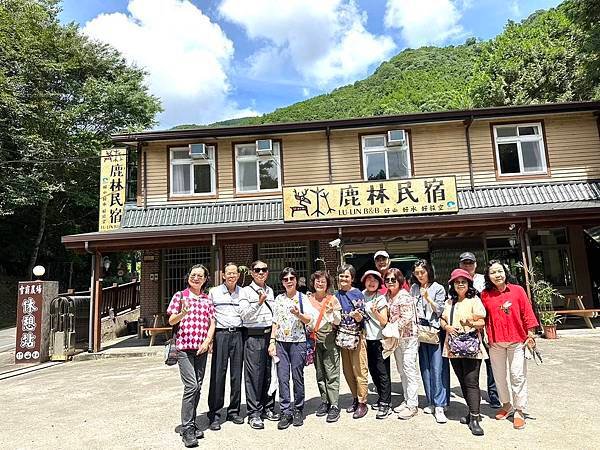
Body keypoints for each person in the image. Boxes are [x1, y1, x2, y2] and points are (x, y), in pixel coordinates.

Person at [481, 260, 539, 430]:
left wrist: (530, 334)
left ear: (505, 272)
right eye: (493, 272)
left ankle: (519, 409)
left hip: (516, 340)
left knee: (517, 375)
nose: (497, 275)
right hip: (495, 342)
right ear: (488, 276)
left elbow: (527, 312)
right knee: (498, 376)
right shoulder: (485, 294)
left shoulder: (518, 290)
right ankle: (506, 404)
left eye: (500, 271)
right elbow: (481, 316)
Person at [167, 264, 215, 448]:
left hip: (201, 349)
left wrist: (207, 341)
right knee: (191, 386)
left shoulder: (206, 299)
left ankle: (192, 423)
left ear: (205, 280)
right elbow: (171, 320)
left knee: (198, 387)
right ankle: (187, 428)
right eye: (193, 275)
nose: (196, 278)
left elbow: (212, 322)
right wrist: (183, 313)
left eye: (200, 276)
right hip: (184, 348)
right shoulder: (180, 296)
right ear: (188, 277)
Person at [440, 269, 487, 436]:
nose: (460, 284)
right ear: (452, 284)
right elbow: (442, 319)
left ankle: (475, 417)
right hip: (453, 347)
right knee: (462, 380)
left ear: (469, 284)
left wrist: (470, 322)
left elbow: (482, 321)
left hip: (471, 345)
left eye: (464, 281)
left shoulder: (474, 300)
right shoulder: (449, 302)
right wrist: (447, 327)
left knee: (471, 381)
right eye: (457, 281)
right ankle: (470, 411)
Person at [268, 268, 314, 430]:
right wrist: (272, 341)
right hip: (281, 342)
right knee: (282, 378)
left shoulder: (303, 298)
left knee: (297, 377)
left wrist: (298, 314)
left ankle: (298, 409)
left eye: (291, 278)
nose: (289, 281)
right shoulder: (278, 299)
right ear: (282, 282)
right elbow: (275, 321)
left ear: (296, 280)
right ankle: (285, 411)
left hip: (298, 342)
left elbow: (309, 319)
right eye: (285, 279)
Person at [239, 260, 278, 430]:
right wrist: (259, 303)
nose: (261, 272)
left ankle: (268, 407)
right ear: (251, 272)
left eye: (264, 269)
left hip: (269, 335)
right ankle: (254, 413)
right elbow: (244, 316)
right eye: (257, 270)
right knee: (254, 375)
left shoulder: (270, 290)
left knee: (270, 373)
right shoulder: (245, 292)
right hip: (253, 336)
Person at [459, 252, 501, 409]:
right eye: (465, 263)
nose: (468, 265)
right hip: (467, 332)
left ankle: (494, 395)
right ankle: (472, 396)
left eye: (470, 263)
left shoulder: (484, 280)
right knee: (471, 366)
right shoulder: (458, 281)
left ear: (475, 264)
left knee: (492, 362)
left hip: (487, 326)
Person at [410, 259, 449, 423]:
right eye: (417, 273)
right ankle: (431, 401)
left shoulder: (438, 288)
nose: (420, 275)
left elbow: (440, 310)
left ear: (429, 271)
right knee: (424, 367)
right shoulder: (413, 288)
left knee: (437, 367)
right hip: (419, 331)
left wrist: (428, 298)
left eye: (422, 272)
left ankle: (440, 405)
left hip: (434, 331)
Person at [207, 263, 244, 431]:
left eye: (234, 273)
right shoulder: (214, 292)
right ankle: (214, 413)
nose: (231, 276)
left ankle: (234, 411)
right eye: (228, 273)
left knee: (236, 374)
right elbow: (209, 317)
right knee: (218, 374)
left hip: (238, 334)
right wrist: (210, 340)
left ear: (238, 275)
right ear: (223, 275)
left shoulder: (242, 292)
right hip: (220, 335)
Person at [384, 268, 420, 420]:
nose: (390, 282)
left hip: (409, 338)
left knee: (409, 369)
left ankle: (413, 405)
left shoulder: (404, 296)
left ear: (400, 280)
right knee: (401, 370)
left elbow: (406, 318)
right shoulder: (387, 296)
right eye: (387, 280)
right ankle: (406, 400)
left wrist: (390, 328)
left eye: (394, 279)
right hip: (397, 339)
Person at [307, 270, 342, 423]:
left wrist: (332, 312)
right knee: (320, 372)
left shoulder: (332, 299)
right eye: (317, 281)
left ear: (327, 284)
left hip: (329, 338)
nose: (320, 283)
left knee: (331, 371)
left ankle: (334, 404)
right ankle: (324, 401)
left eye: (323, 281)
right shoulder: (308, 299)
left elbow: (338, 322)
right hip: (314, 339)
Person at [335, 263, 369, 419]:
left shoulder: (357, 294)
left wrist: (358, 316)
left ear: (352, 278)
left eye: (346, 276)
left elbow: (363, 317)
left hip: (356, 336)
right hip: (343, 337)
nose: (343, 279)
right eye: (341, 276)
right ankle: (355, 398)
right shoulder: (336, 295)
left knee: (359, 370)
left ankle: (363, 402)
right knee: (347, 371)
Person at [361, 269, 392, 419]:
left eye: (375, 280)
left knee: (383, 371)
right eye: (369, 279)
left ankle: (386, 403)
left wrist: (375, 312)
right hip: (366, 339)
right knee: (373, 370)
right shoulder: (361, 295)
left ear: (379, 283)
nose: (371, 282)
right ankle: (381, 397)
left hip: (379, 339)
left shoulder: (381, 298)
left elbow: (384, 321)